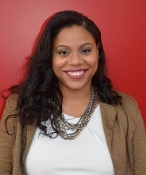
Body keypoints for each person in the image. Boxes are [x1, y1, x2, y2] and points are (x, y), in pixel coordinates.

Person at [0, 10, 146, 175]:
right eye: (63, 52)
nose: (76, 61)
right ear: (49, 57)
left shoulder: (126, 108)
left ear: (97, 52)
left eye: (85, 50)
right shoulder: (19, 107)